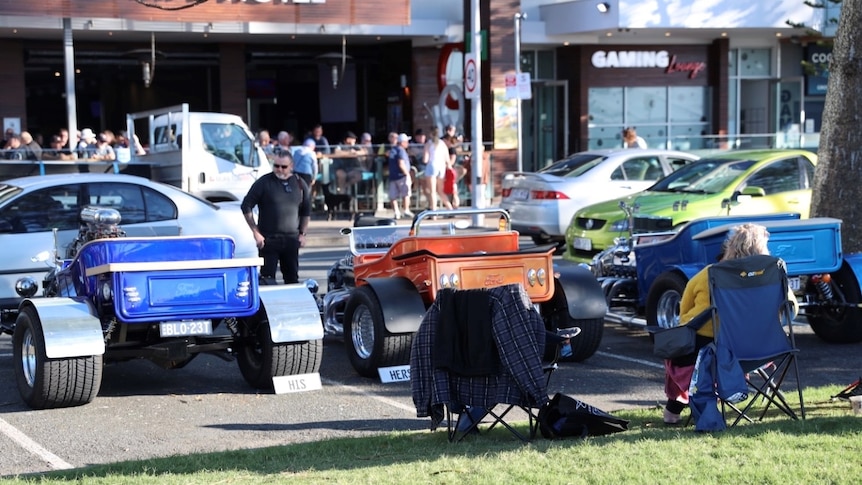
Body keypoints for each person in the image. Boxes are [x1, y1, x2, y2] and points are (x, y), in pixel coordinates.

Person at [662, 223, 798, 425]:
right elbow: (791, 310)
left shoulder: (710, 274)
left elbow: (685, 317)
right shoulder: (773, 272)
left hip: (716, 353)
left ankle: (673, 411)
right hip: (762, 350)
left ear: (729, 246)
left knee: (677, 350)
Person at [241, 149, 311, 285]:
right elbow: (246, 206)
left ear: (291, 166)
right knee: (267, 280)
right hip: (269, 239)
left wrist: (303, 234)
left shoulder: (300, 184)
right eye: (276, 166)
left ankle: (291, 305)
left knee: (292, 279)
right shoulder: (264, 182)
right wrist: (256, 233)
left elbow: (305, 211)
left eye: (283, 167)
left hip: (291, 239)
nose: (279, 170)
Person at [422, 126, 452, 211]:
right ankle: (450, 209)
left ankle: (434, 212)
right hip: (441, 167)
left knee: (432, 192)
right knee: (440, 191)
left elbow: (425, 159)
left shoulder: (429, 143)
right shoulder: (442, 144)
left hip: (432, 166)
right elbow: (447, 159)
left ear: (430, 133)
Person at [388, 133, 414, 220]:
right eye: (406, 141)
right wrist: (407, 174)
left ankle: (397, 212)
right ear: (402, 142)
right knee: (406, 194)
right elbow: (401, 163)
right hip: (401, 175)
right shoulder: (401, 151)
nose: (407, 143)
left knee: (393, 196)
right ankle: (406, 210)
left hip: (393, 176)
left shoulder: (393, 150)